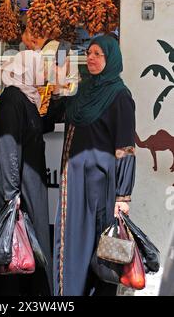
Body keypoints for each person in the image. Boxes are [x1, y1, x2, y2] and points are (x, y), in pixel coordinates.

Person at [44, 35, 136, 296]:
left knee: (100, 248)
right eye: (89, 53)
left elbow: (126, 149)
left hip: (100, 184)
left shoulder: (120, 97)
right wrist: (58, 84)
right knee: (72, 242)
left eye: (98, 54)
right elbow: (55, 116)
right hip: (73, 183)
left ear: (111, 59)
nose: (91, 58)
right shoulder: (83, 91)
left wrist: (123, 196)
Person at [0, 50, 52, 296]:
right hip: (11, 187)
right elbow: (8, 146)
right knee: (8, 248)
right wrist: (12, 194)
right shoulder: (12, 99)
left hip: (22, 183)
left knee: (22, 246)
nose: (45, 73)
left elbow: (35, 126)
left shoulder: (25, 97)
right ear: (26, 70)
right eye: (41, 67)